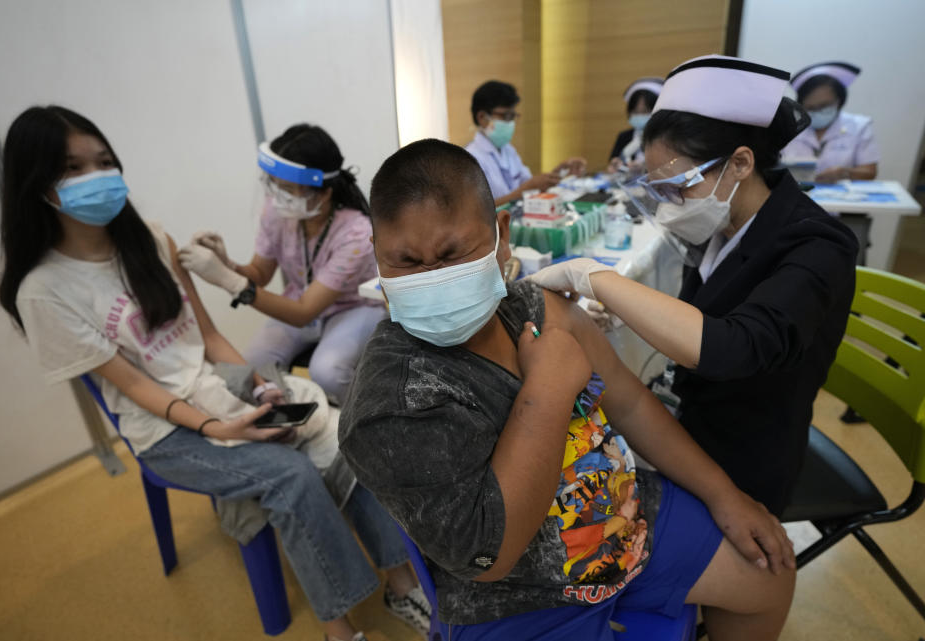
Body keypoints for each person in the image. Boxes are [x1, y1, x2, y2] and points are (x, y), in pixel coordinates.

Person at [0, 106, 430, 641]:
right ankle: (339, 630)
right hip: (163, 427)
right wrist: (218, 427)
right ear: (35, 183)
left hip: (213, 382)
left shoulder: (149, 239)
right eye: (73, 168)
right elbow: (134, 386)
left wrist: (255, 384)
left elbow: (206, 337)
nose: (98, 178)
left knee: (342, 434)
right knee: (289, 474)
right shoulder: (43, 290)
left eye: (104, 161)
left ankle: (402, 582)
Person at [339, 138, 796, 640]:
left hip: (624, 516)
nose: (433, 278)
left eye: (453, 253)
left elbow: (630, 403)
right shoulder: (391, 405)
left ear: (502, 236)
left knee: (769, 572)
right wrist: (549, 388)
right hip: (518, 596)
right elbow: (492, 553)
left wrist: (723, 495)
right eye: (405, 262)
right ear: (379, 265)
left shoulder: (532, 307)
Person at [531, 55, 859, 516]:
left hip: (745, 459)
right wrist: (625, 312)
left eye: (678, 187)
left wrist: (595, 277)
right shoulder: (722, 226)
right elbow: (707, 310)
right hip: (691, 428)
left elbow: (735, 345)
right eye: (658, 191)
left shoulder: (819, 244)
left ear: (741, 163)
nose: (669, 207)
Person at [182, 125, 386, 405]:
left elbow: (302, 313)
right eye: (275, 185)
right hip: (301, 305)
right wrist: (227, 264)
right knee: (253, 367)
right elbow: (260, 274)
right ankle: (291, 424)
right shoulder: (278, 212)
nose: (278, 195)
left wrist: (230, 282)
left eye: (288, 189)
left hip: (354, 308)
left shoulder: (356, 234)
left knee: (327, 372)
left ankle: (366, 422)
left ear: (323, 193)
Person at [465, 80, 586, 207]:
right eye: (506, 116)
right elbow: (478, 211)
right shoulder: (471, 159)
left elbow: (528, 184)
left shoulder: (507, 150)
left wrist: (558, 172)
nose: (511, 122)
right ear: (482, 118)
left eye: (513, 116)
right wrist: (523, 191)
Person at [781, 62, 879, 184]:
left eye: (824, 106)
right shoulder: (789, 126)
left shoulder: (859, 126)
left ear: (840, 101)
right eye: (811, 107)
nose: (817, 112)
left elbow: (870, 172)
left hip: (844, 198)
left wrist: (844, 173)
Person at [607, 77, 664, 172]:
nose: (639, 116)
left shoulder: (666, 139)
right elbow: (613, 163)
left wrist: (645, 168)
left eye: (645, 111)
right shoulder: (624, 137)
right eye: (635, 112)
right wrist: (615, 165)